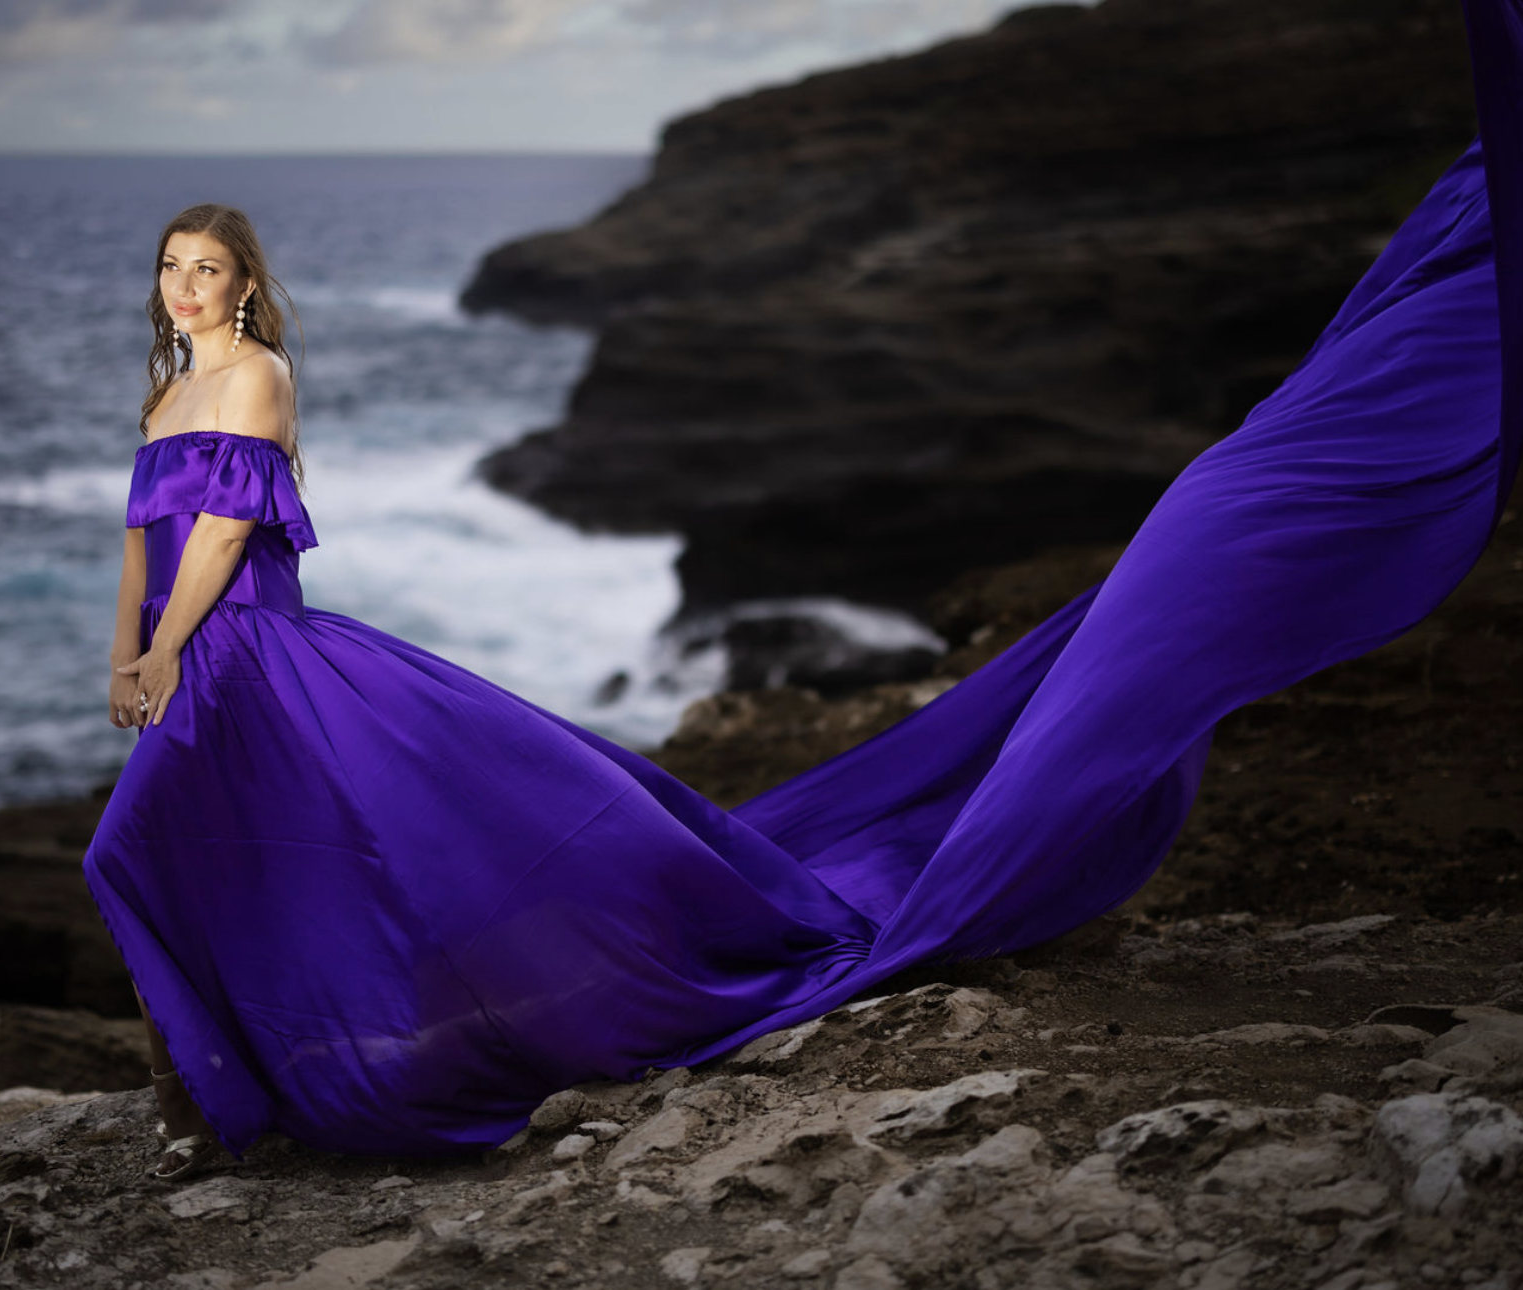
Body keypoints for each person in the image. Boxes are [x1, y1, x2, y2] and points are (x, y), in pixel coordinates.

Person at [84, 0, 1523, 1185]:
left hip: (249, 654)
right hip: (184, 659)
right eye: (170, 268)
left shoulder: (257, 377)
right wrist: (124, 643)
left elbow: (217, 540)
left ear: (247, 285)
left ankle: (229, 1099)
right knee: (218, 856)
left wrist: (160, 650)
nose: (185, 287)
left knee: (156, 851)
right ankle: (232, 1094)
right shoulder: (168, 392)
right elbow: (147, 537)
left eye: (207, 268)